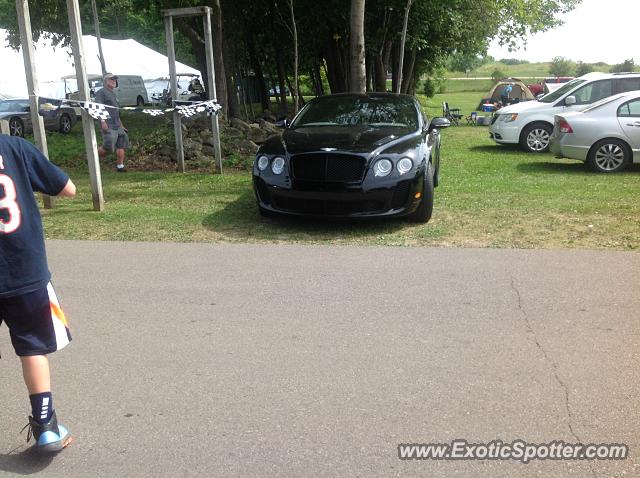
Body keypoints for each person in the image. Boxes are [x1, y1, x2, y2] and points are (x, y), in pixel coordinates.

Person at [0, 135, 76, 452]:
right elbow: (66, 188)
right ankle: (46, 427)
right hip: (23, 270)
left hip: (22, 271)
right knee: (33, 348)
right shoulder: (15, 148)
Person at [95, 73, 129, 172]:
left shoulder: (113, 93)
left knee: (121, 144)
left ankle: (120, 167)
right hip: (108, 124)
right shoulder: (101, 92)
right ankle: (92, 158)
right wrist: (102, 121)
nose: (114, 81)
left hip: (117, 125)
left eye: (115, 80)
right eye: (111, 79)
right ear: (106, 81)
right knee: (108, 147)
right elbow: (98, 107)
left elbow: (116, 111)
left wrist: (121, 125)